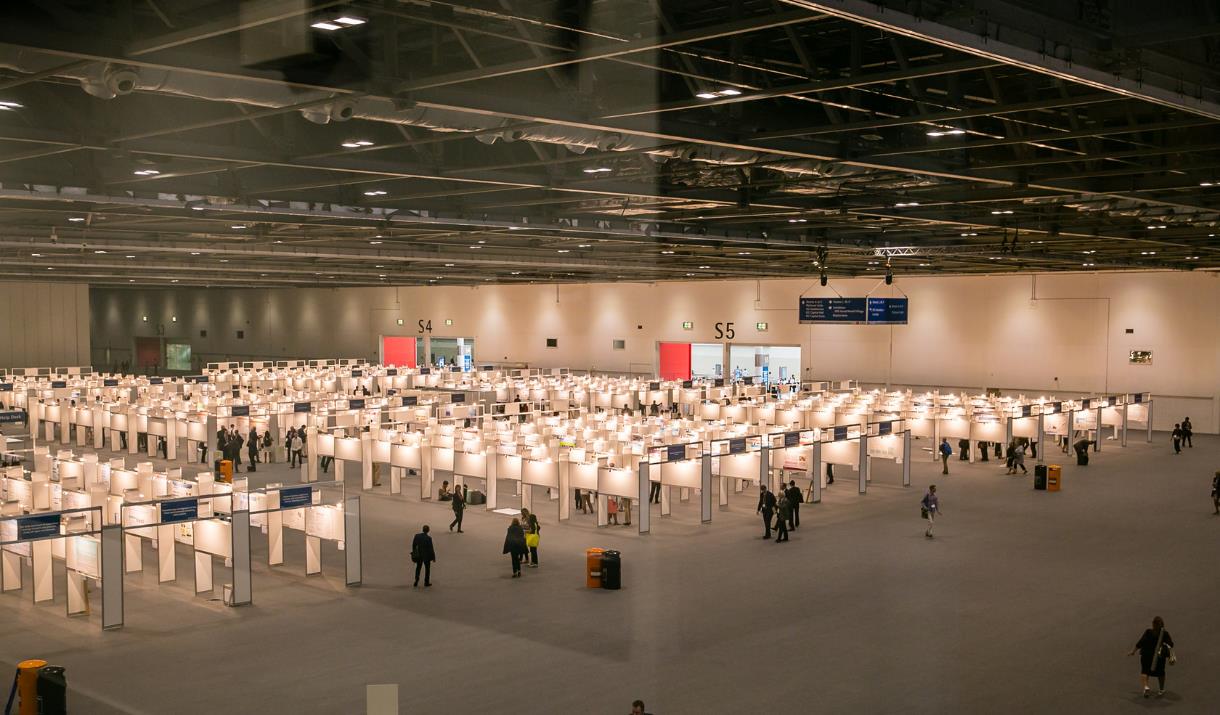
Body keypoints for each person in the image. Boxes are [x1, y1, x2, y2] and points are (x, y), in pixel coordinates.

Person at [1128, 616, 1175, 698]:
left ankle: (1146, 687)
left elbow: (1140, 642)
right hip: (1158, 657)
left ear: (1153, 624)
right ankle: (1161, 690)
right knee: (1160, 673)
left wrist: (1133, 651)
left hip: (1146, 655)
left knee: (1145, 671)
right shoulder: (1164, 633)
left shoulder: (1148, 632)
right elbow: (1171, 644)